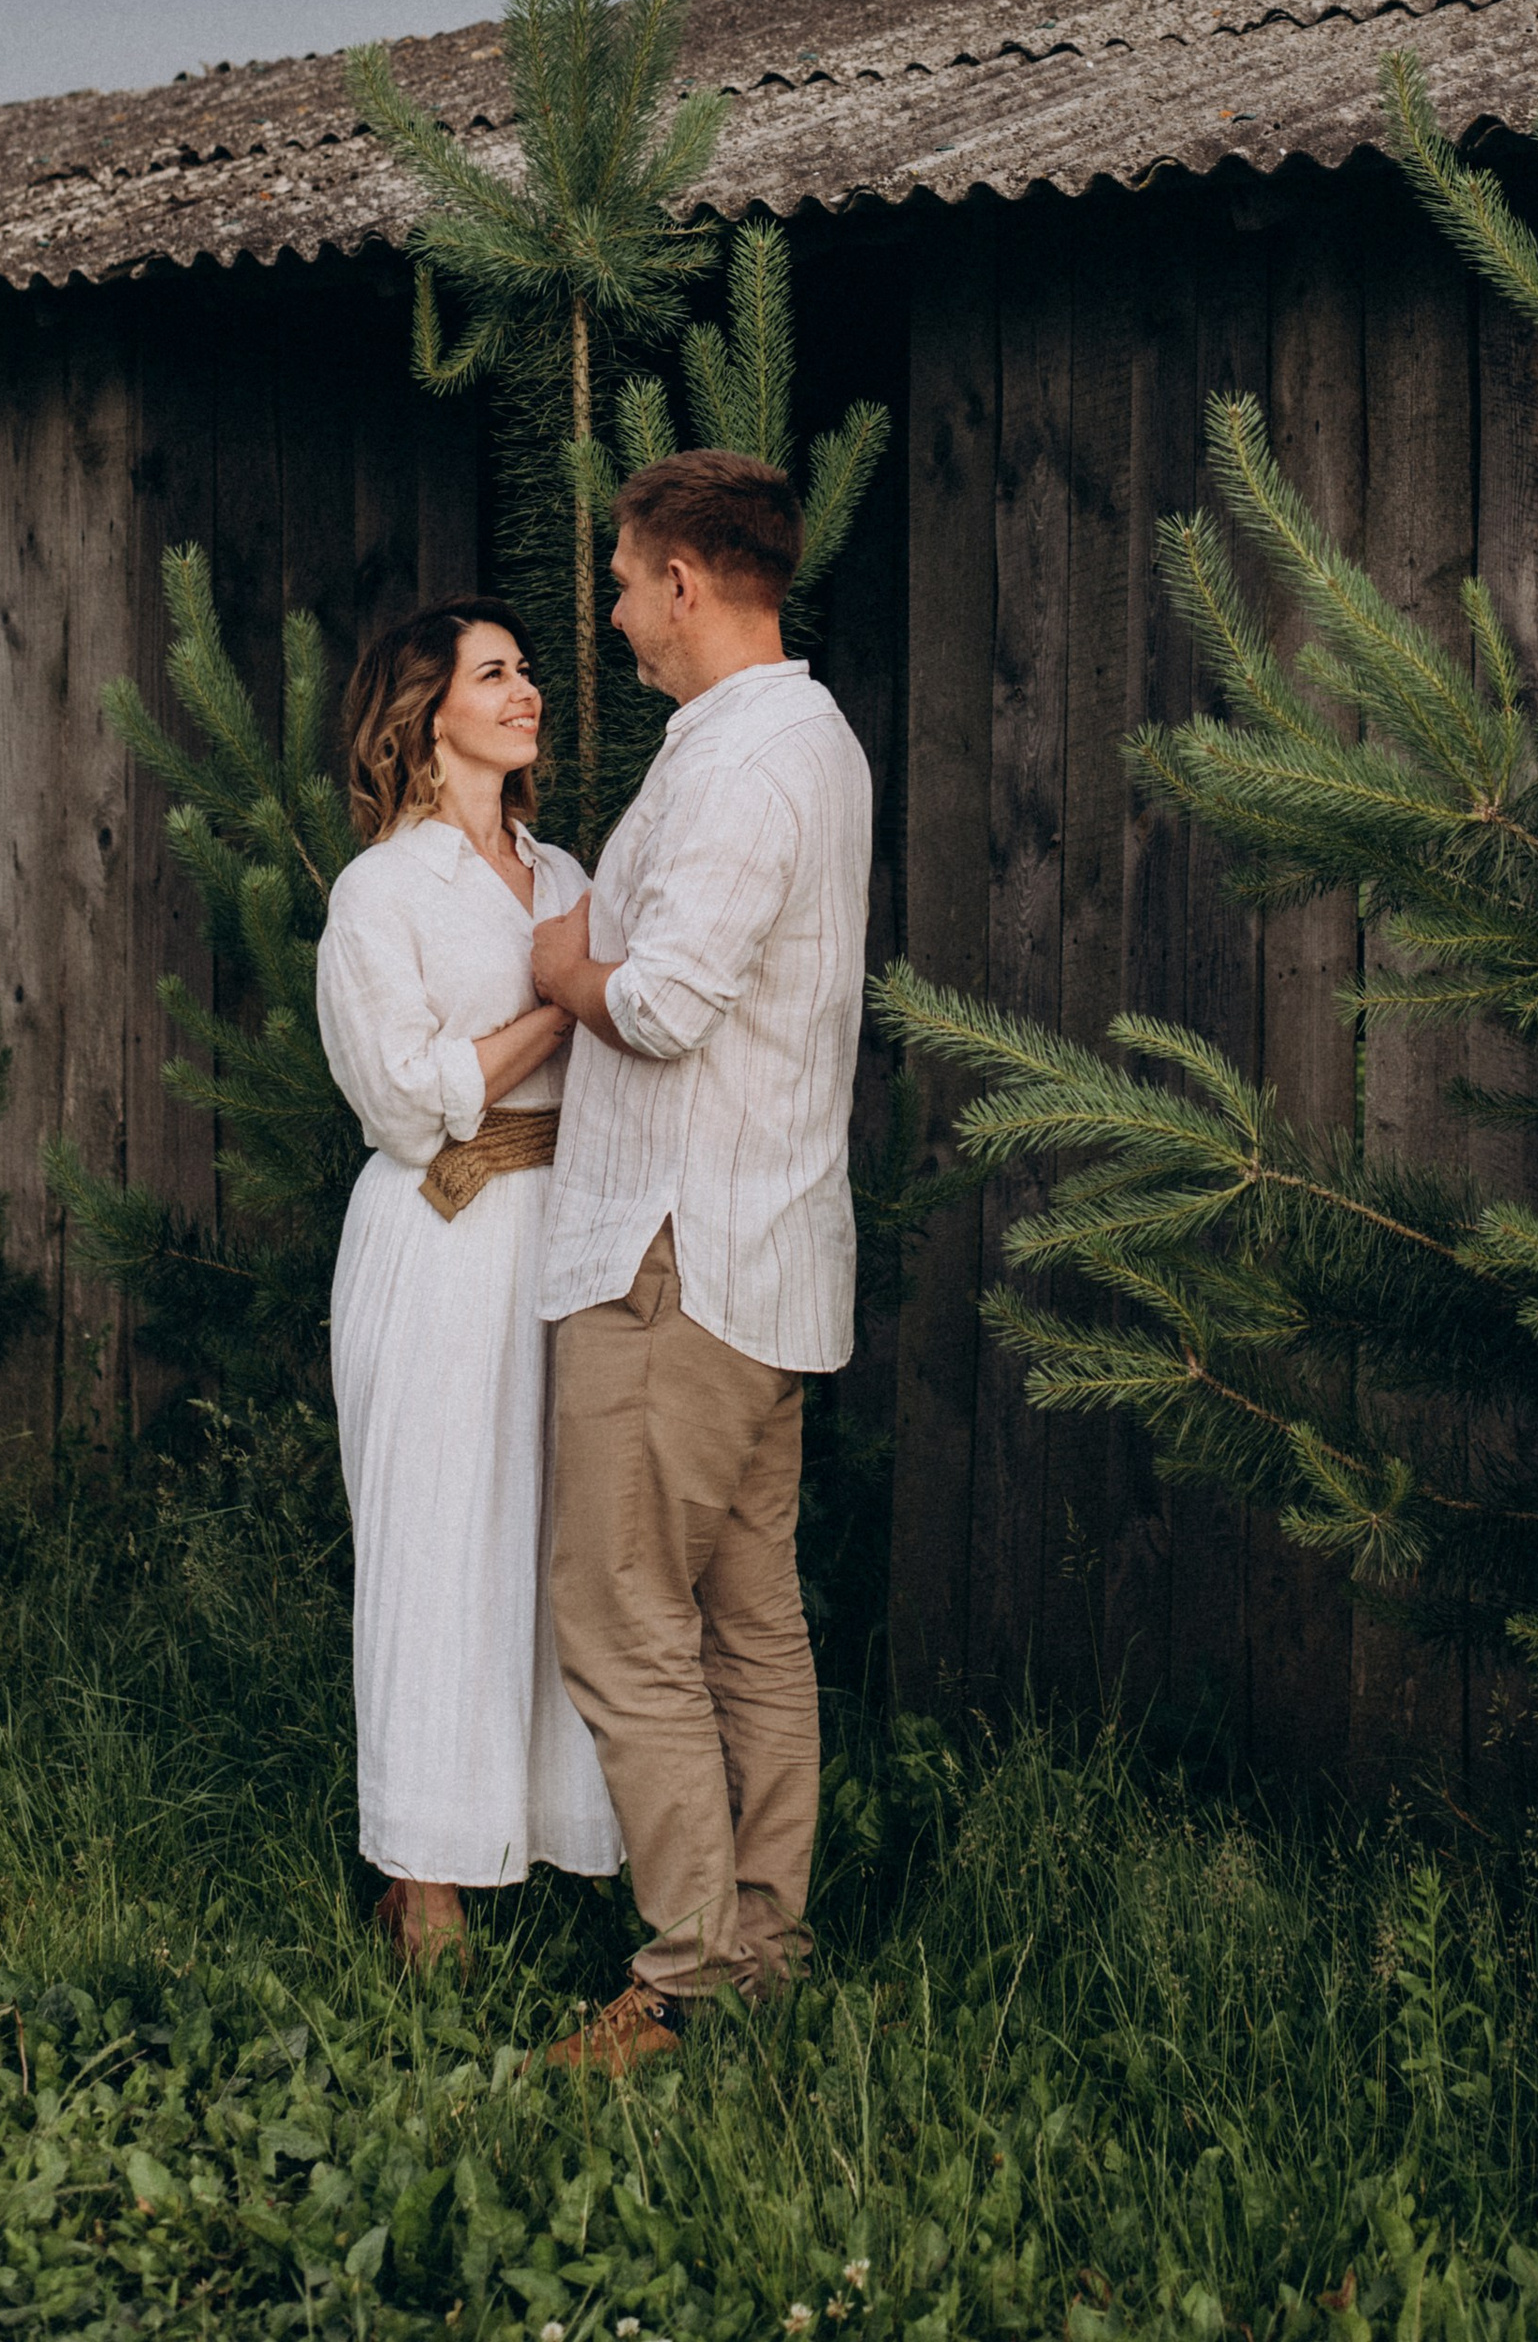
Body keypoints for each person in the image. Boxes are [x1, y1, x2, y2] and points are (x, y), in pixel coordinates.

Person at [528, 447, 873, 2067]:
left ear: (684, 581)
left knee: (616, 1608)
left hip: (675, 1260)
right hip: (759, 1256)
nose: (607, 613)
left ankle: (682, 1983)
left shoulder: (752, 763)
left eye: (617, 581)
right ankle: (766, 1943)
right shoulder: (775, 741)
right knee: (748, 1619)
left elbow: (660, 1005)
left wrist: (560, 964)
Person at [316, 602, 621, 1961]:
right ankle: (425, 1886)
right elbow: (403, 1097)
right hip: (439, 1239)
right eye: (496, 673)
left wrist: (581, 983)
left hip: (563, 1232)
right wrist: (563, 1003)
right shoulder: (381, 891)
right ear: (426, 710)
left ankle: (546, 1838)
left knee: (555, 1544)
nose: (529, 691)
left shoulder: (566, 875)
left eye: (528, 670)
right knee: (436, 1544)